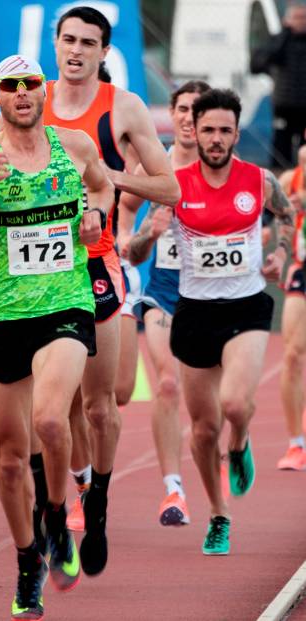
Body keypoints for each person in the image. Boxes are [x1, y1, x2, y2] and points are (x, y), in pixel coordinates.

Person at [0, 55, 114, 620]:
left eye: (31, 84)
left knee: (50, 420)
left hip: (66, 304)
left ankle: (58, 518)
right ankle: (27, 560)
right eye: (11, 86)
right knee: (11, 459)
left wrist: (96, 218)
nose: (23, 93)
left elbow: (105, 190)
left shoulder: (76, 146)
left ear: (44, 91)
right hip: (2, 314)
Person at [42, 5, 180, 576]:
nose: (76, 51)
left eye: (88, 43)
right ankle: (76, 487)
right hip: (41, 273)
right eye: (68, 40)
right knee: (60, 404)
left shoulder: (122, 108)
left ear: (104, 51)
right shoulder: (29, 100)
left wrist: (107, 176)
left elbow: (169, 186)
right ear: (56, 43)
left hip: (99, 265)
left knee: (104, 404)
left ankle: (97, 500)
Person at [161, 88, 292, 555]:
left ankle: (240, 445)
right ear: (193, 131)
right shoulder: (174, 184)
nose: (216, 139)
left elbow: (289, 214)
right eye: (209, 130)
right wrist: (146, 238)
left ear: (238, 134)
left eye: (225, 131)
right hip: (194, 312)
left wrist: (279, 252)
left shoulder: (258, 180)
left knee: (235, 405)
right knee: (201, 430)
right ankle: (219, 514)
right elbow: (136, 247)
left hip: (246, 307)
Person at [117, 80, 211, 527]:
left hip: (215, 295)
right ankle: (173, 490)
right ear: (171, 116)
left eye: (198, 111)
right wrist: (144, 236)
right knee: (167, 385)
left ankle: (237, 438)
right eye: (183, 110)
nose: (189, 119)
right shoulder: (155, 169)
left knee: (218, 402)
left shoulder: (224, 171)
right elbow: (127, 241)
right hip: (164, 292)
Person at [276, 142, 306, 470]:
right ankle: (296, 443)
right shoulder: (290, 179)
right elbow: (278, 217)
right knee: (293, 355)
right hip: (302, 269)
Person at [250, 1, 306, 169]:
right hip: (284, 106)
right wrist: (285, 34)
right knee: (281, 148)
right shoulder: (278, 41)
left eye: (304, 17)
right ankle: (280, 178)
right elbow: (257, 64)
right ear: (286, 20)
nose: (301, 21)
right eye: (296, 17)